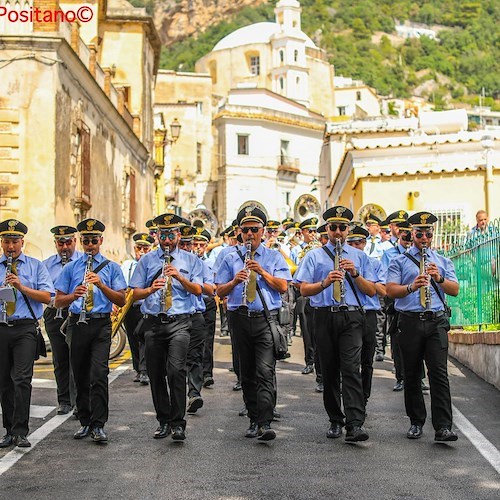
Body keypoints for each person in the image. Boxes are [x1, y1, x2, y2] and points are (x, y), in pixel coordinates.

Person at [295, 206, 376, 442]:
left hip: (351, 316)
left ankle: (355, 424)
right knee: (329, 369)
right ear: (327, 230)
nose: (338, 232)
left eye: (342, 227)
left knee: (351, 368)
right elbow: (303, 289)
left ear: (348, 230)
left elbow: (372, 291)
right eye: (333, 228)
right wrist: (324, 282)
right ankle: (335, 419)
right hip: (323, 315)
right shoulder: (314, 256)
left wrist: (356, 274)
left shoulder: (360, 256)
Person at [216, 205, 291, 441]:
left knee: (265, 371)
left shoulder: (273, 256)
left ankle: (265, 422)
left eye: (255, 230)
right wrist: (234, 282)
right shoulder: (229, 257)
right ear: (239, 231)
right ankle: (253, 418)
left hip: (265, 319)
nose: (250, 234)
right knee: (246, 373)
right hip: (239, 318)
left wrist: (263, 273)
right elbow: (219, 291)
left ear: (263, 231)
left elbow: (283, 286)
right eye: (246, 230)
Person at [386, 211, 459, 442]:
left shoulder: (443, 261)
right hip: (410, 321)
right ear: (412, 234)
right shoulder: (399, 260)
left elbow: (454, 290)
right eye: (419, 234)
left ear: (432, 234)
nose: (424, 238)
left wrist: (438, 279)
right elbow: (390, 290)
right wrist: (411, 287)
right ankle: (416, 422)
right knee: (412, 374)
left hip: (436, 320)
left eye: (428, 234)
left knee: (439, 374)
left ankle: (443, 427)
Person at [129, 213, 203, 442]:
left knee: (176, 370)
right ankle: (163, 421)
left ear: (178, 235)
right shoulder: (147, 260)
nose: (167, 239)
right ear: (157, 236)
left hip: (179, 322)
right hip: (153, 322)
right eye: (163, 235)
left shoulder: (191, 261)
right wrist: (151, 289)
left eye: (171, 234)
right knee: (156, 374)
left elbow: (199, 291)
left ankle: (178, 423)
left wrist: (179, 277)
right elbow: (133, 293)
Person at [54, 218, 127, 444]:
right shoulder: (70, 268)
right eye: (86, 241)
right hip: (78, 323)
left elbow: (122, 299)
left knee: (99, 374)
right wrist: (73, 296)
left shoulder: (112, 267)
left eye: (94, 240)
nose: (90, 245)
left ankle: (99, 424)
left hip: (100, 324)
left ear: (100, 241)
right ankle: (85, 421)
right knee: (80, 374)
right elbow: (58, 302)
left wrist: (102, 285)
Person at [0, 219, 53, 449]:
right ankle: (9, 430)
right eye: (6, 242)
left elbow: (47, 297)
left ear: (23, 242)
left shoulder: (35, 266)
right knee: (4, 383)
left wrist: (21, 287)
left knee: (21, 379)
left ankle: (21, 431)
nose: (10, 247)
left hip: (25, 329)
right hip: (2, 327)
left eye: (14, 242)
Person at [43, 225, 83, 416]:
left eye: (68, 242)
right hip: (55, 312)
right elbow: (44, 290)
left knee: (77, 357)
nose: (65, 247)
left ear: (74, 241)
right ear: (56, 244)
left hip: (77, 311)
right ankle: (64, 400)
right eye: (61, 243)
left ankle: (79, 401)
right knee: (60, 358)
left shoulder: (83, 261)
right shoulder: (47, 264)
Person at [345, 226, 386, 408]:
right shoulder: (341, 262)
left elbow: (383, 291)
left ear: (365, 243)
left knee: (366, 360)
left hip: (368, 313)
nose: (356, 246)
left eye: (359, 243)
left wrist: (363, 278)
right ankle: (351, 398)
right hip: (350, 313)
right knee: (349, 360)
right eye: (351, 243)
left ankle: (364, 397)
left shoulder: (374, 264)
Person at [120, 233, 155, 385]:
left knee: (144, 337)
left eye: (145, 248)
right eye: (139, 248)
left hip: (146, 306)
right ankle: (138, 369)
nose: (142, 251)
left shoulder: (153, 263)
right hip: (130, 307)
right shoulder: (127, 265)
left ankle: (145, 370)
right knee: (133, 338)